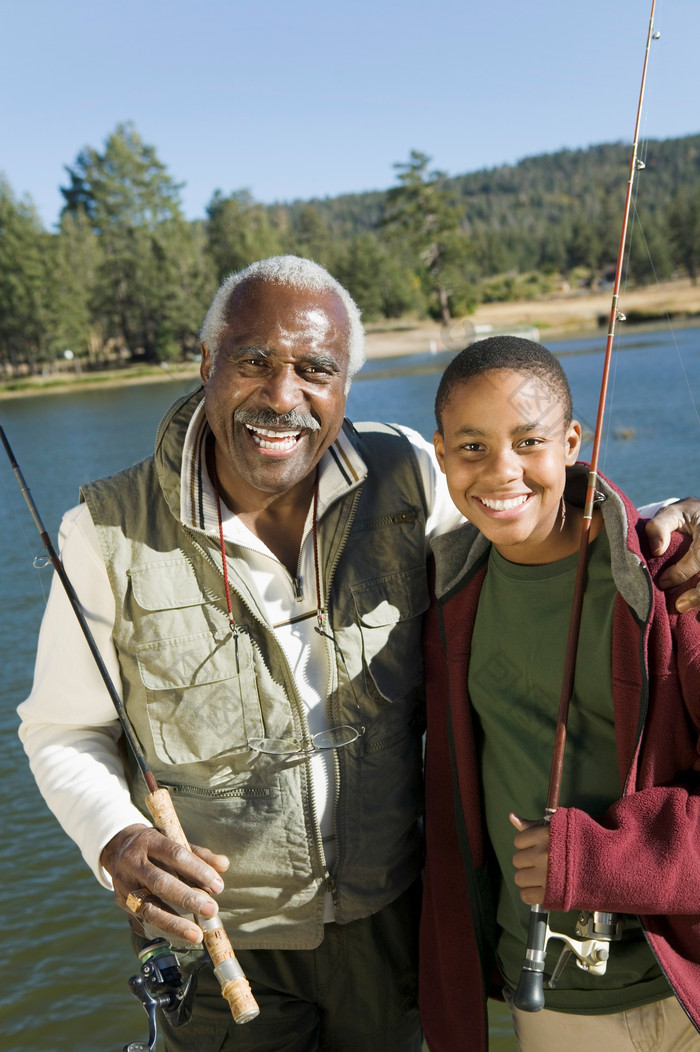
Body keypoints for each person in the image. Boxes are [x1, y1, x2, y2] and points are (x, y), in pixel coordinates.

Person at [16, 259, 700, 1052]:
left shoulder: (409, 472)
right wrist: (117, 839)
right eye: (253, 361)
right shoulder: (100, 531)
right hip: (223, 947)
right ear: (206, 364)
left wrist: (666, 525)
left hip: (390, 927)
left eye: (316, 369)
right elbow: (60, 731)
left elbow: (525, 516)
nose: (282, 395)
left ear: (347, 386)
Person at [420, 335, 700, 1052]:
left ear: (573, 441)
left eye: (530, 440)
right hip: (555, 1000)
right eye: (472, 447)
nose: (502, 471)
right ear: (440, 452)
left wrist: (600, 860)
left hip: (688, 979)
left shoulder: (671, 585)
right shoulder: (442, 599)